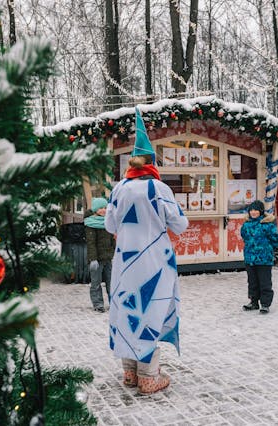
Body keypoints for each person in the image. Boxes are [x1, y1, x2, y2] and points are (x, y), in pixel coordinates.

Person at [105, 107, 189, 395]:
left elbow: (108, 224)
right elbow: (179, 224)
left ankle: (129, 371)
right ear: (152, 162)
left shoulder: (119, 189)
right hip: (155, 261)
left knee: (127, 307)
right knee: (151, 308)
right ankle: (149, 375)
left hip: (125, 261)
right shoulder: (159, 188)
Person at [240, 200, 278, 314]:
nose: (253, 212)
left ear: (261, 211)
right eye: (251, 210)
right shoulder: (246, 225)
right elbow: (244, 237)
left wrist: (266, 248)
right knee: (252, 282)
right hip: (250, 258)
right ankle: (253, 302)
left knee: (264, 282)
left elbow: (275, 240)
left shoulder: (267, 225)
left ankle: (265, 304)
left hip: (264, 259)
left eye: (256, 210)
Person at [84, 197, 115, 312]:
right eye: (101, 208)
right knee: (96, 283)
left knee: (111, 282)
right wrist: (93, 259)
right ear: (96, 209)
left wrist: (112, 251)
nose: (104, 210)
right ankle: (98, 304)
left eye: (105, 208)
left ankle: (114, 303)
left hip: (107, 258)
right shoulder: (91, 224)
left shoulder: (108, 222)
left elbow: (112, 240)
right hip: (96, 259)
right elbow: (91, 243)